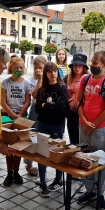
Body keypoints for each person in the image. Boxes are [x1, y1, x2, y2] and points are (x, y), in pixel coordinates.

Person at [76, 51, 105, 210]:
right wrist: (85, 122)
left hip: (100, 128)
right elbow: (78, 102)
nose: (91, 66)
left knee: (99, 160)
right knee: (84, 158)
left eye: (95, 64)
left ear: (104, 65)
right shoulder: (85, 79)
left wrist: (92, 125)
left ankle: (100, 193)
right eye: (91, 63)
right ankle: (89, 191)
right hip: (83, 124)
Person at [36, 62, 68, 197]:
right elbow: (37, 109)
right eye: (49, 72)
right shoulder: (41, 90)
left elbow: (61, 108)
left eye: (55, 71)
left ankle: (58, 179)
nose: (53, 74)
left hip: (56, 124)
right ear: (46, 74)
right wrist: (49, 106)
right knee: (42, 152)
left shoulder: (62, 88)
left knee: (57, 152)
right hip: (43, 123)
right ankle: (43, 182)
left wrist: (45, 105)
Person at [1, 57, 31, 186]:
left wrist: (20, 114)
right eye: (15, 68)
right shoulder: (5, 83)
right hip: (7, 116)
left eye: (20, 68)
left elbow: (27, 101)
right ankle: (9, 172)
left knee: (18, 146)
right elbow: (2, 101)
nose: (18, 70)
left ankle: (17, 171)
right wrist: (12, 114)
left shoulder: (26, 83)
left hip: (22, 116)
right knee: (8, 145)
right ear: (10, 68)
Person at [25, 55, 48, 178]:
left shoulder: (50, 78)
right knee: (32, 137)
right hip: (35, 110)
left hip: (46, 110)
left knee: (43, 139)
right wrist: (39, 80)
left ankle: (43, 170)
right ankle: (28, 164)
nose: (38, 70)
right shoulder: (31, 80)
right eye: (36, 68)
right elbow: (34, 96)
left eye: (41, 68)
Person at [65, 54, 89, 145]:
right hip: (72, 114)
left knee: (84, 141)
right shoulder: (67, 78)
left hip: (84, 114)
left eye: (79, 65)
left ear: (84, 67)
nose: (77, 68)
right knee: (73, 141)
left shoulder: (88, 78)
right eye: (75, 65)